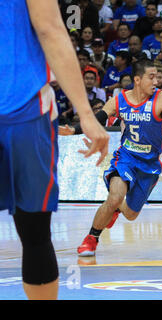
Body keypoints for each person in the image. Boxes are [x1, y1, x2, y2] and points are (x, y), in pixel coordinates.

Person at [0, 0, 109, 300]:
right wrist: (85, 114)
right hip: (24, 108)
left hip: (25, 108)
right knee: (34, 234)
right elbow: (50, 30)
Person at [59, 59, 162, 257]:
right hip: (126, 157)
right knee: (115, 196)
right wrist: (74, 130)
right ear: (137, 79)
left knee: (130, 214)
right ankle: (92, 238)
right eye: (151, 77)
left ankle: (117, 209)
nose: (156, 81)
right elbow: (98, 119)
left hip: (150, 164)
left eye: (157, 77)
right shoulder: (120, 99)